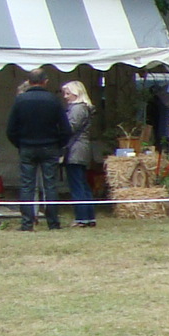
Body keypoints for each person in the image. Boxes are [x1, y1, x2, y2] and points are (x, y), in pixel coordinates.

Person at [6, 67, 72, 230]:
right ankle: (53, 223)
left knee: (27, 185)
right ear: (46, 81)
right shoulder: (53, 100)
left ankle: (27, 223)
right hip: (50, 146)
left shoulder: (20, 100)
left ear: (29, 82)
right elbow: (65, 129)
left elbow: (10, 129)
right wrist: (58, 144)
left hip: (27, 147)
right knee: (50, 185)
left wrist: (20, 143)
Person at [61, 81, 98, 227]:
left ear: (76, 93)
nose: (65, 96)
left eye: (67, 93)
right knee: (82, 183)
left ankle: (81, 217)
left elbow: (70, 127)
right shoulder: (83, 108)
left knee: (77, 184)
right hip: (81, 148)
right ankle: (89, 216)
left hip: (76, 149)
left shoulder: (77, 109)